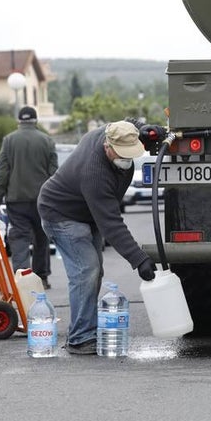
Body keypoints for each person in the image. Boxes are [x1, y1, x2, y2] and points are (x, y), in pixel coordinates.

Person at [37, 120, 157, 354]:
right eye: (121, 154)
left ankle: (85, 330)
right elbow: (112, 224)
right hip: (60, 214)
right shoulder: (95, 174)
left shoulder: (113, 132)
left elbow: (127, 123)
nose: (126, 159)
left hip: (86, 214)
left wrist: (146, 127)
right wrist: (139, 259)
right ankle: (81, 338)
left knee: (93, 271)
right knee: (86, 271)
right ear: (107, 147)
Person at [0, 106, 58, 288]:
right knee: (41, 238)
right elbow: (54, 174)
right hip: (42, 200)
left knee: (20, 238)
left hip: (16, 201)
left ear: (19, 121)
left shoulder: (9, 141)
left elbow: (3, 173)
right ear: (35, 121)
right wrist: (56, 200)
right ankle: (42, 278)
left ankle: (22, 280)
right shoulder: (47, 141)